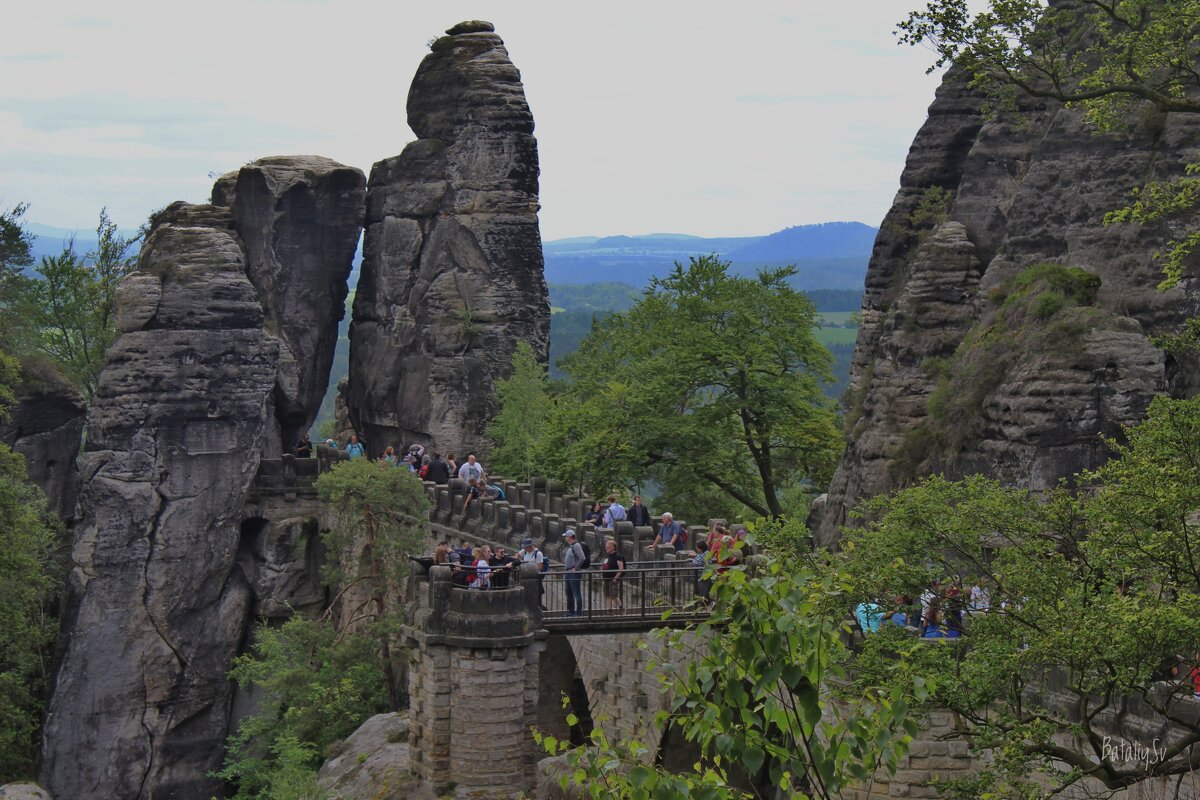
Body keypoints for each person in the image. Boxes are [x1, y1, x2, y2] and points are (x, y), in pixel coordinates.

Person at [562, 529, 586, 617]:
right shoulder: (571, 546)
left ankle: (579, 613)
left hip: (573, 573)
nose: (565, 538)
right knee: (568, 592)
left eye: (566, 536)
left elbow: (582, 557)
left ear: (570, 537)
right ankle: (571, 611)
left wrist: (575, 568)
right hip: (568, 573)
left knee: (576, 592)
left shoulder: (576, 545)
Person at [518, 537, 547, 610]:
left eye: (526, 547)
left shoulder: (538, 553)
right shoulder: (524, 551)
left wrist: (528, 568)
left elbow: (539, 567)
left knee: (537, 595)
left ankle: (540, 611)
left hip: (536, 577)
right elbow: (517, 556)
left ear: (530, 546)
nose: (525, 549)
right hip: (527, 577)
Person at [601, 540, 626, 612]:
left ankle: (621, 608)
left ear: (613, 547)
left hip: (613, 579)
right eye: (606, 547)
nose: (606, 548)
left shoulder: (618, 556)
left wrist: (615, 578)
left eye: (608, 547)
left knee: (614, 596)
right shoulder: (608, 556)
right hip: (606, 579)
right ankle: (609, 610)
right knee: (607, 595)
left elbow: (621, 568)